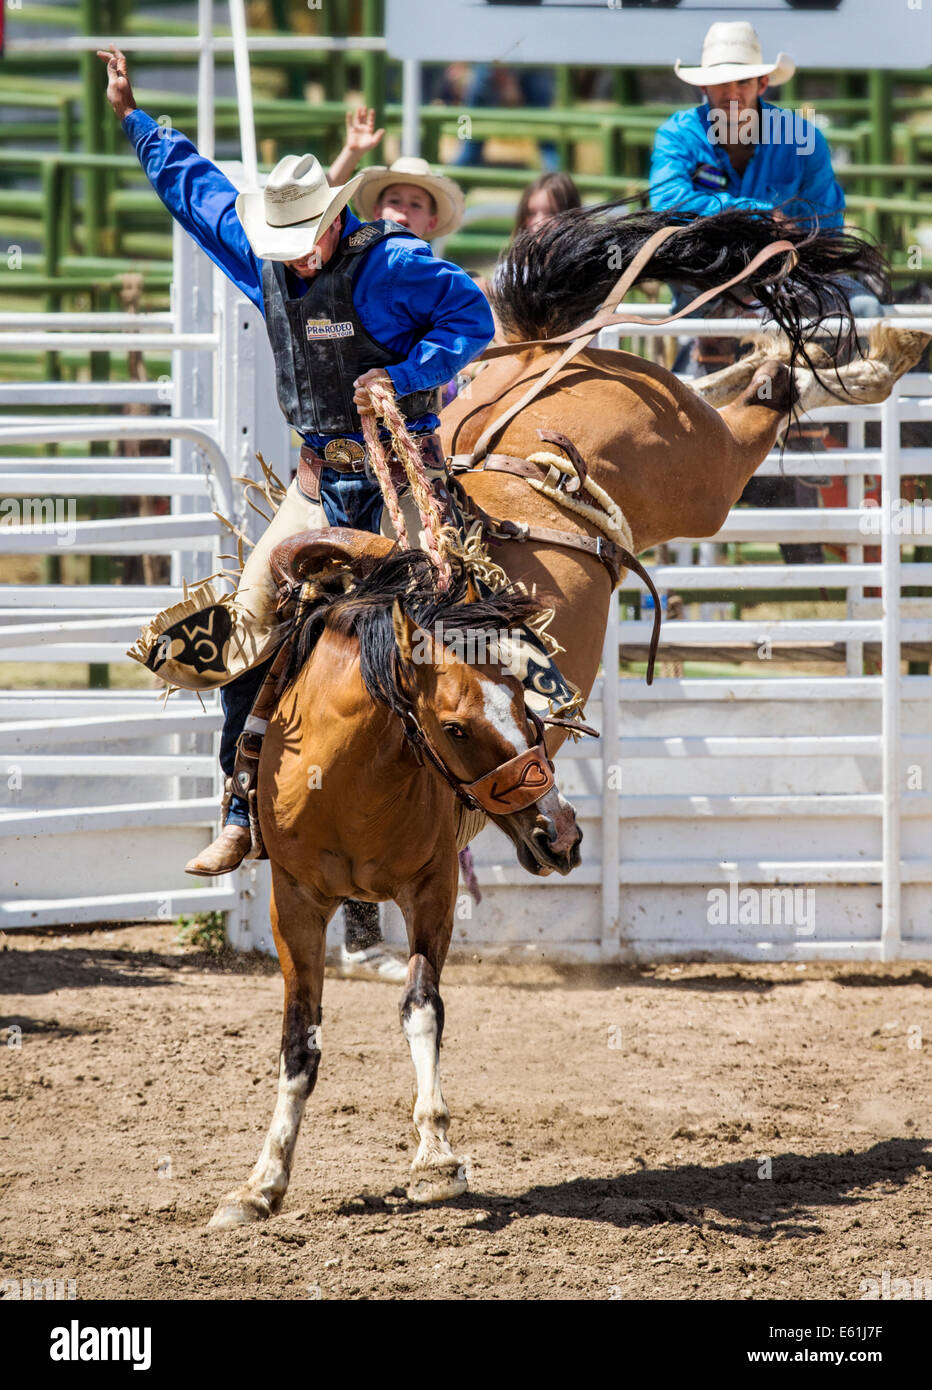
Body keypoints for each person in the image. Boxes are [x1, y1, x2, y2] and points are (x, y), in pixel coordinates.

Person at [97, 44, 494, 982]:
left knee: (457, 611)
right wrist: (135, 121)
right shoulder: (268, 258)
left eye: (300, 240)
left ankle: (495, 796)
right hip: (322, 483)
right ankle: (241, 805)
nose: (290, 256)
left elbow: (470, 319)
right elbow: (196, 194)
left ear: (331, 219)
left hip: (403, 467)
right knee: (249, 615)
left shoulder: (394, 263)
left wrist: (399, 377)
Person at [649, 20, 884, 564]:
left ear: (761, 86)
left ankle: (836, 453)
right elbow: (669, 205)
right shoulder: (680, 134)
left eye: (743, 83)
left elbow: (827, 221)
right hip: (708, 286)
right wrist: (760, 217)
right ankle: (700, 479)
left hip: (790, 280)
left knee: (866, 312)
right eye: (723, 84)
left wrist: (752, 228)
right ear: (704, 89)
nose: (732, 94)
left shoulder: (799, 139)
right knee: (694, 374)